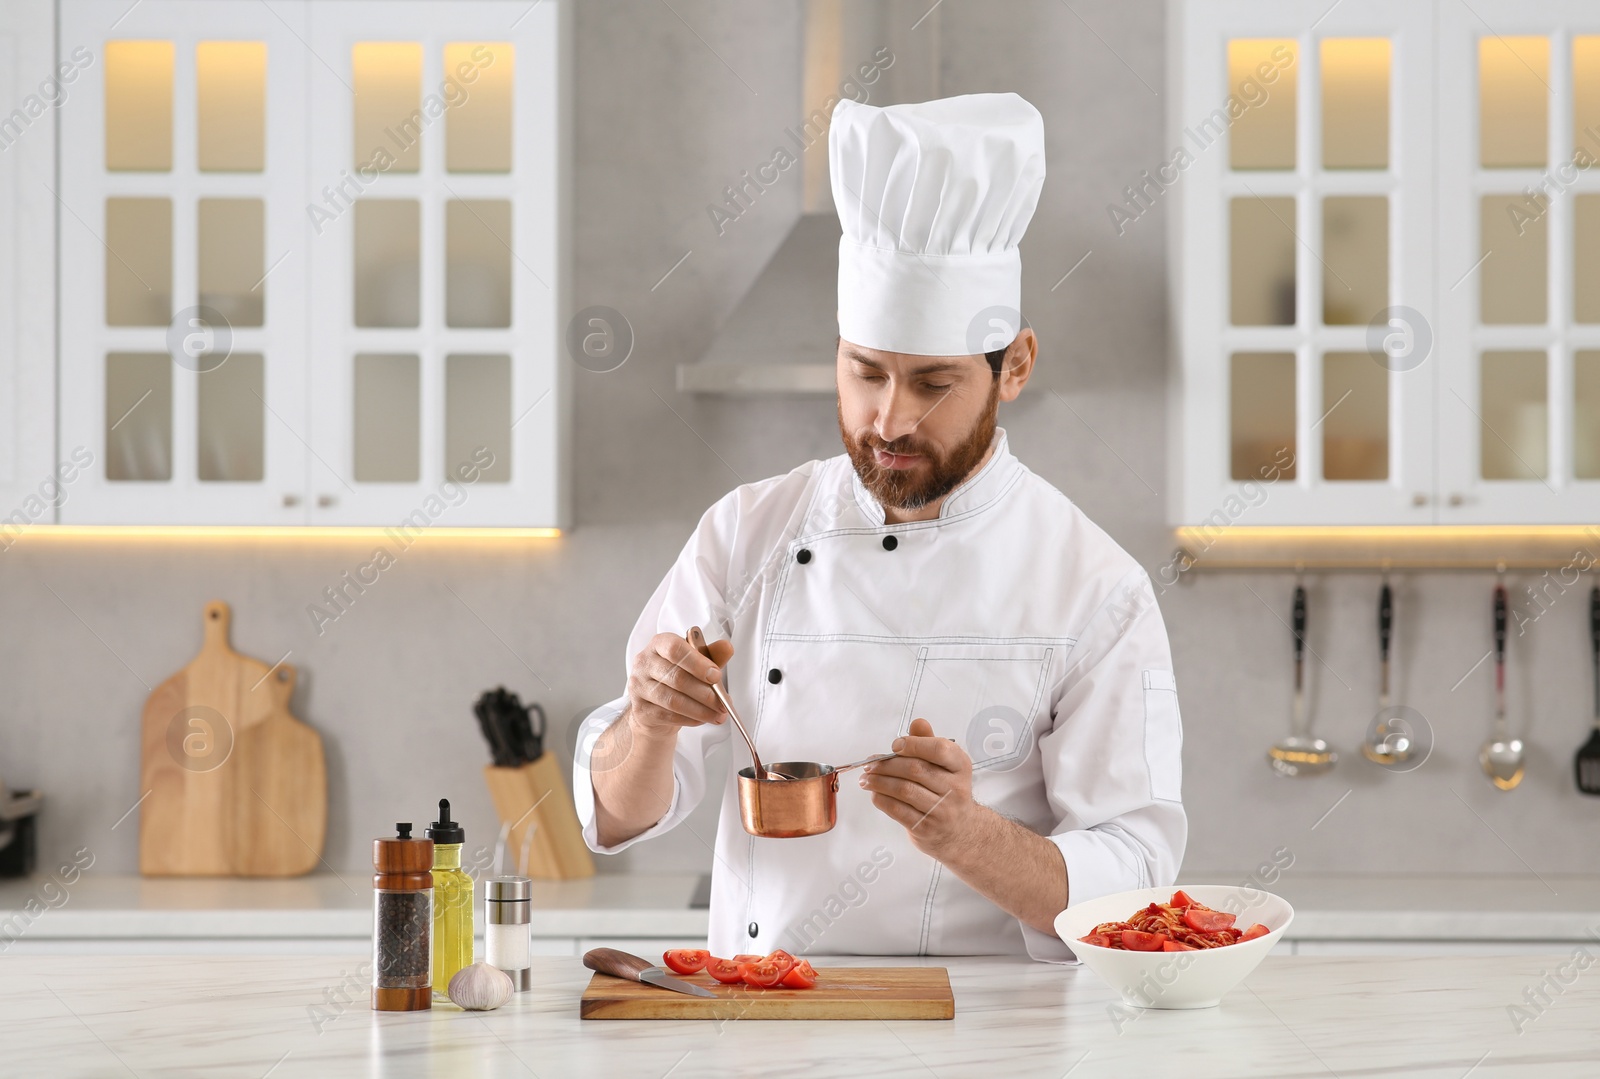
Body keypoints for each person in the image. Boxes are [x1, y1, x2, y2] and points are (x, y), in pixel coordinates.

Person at [573, 92, 1185, 961]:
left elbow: (1136, 881)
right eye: (865, 372)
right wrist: (650, 723)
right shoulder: (746, 532)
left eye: (933, 383)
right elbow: (614, 813)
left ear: (1014, 366)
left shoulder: (1095, 587)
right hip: (765, 1020)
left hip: (986, 1037)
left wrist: (967, 834)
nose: (889, 420)